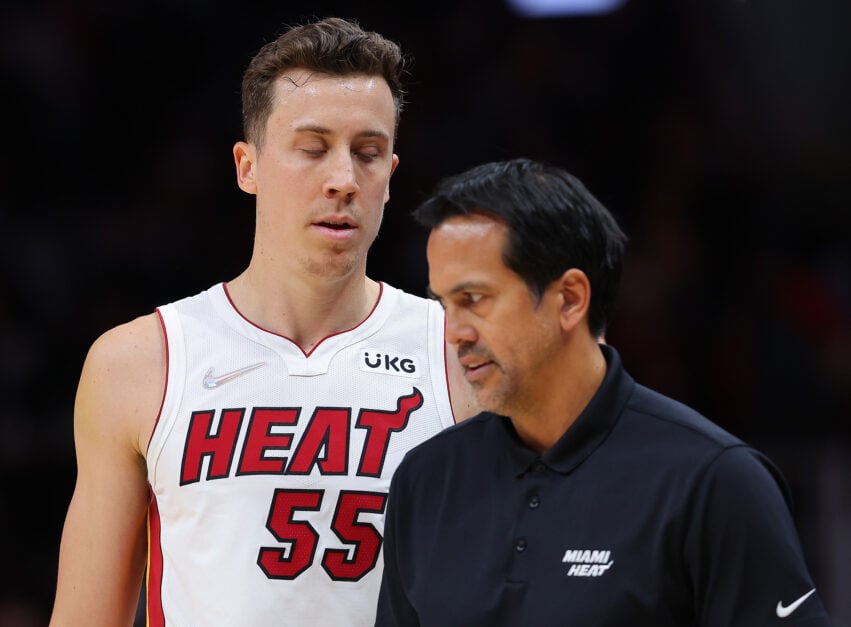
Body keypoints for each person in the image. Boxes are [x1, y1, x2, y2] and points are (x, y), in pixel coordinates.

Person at [49, 17, 475, 627]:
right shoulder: (139, 363)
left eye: (368, 153)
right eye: (312, 148)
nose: (342, 181)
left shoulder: (462, 357)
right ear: (247, 166)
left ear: (390, 175)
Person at [375, 158, 831, 626]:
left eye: (474, 299)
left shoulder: (714, 481)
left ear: (570, 299)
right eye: (442, 303)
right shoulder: (425, 480)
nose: (452, 332)